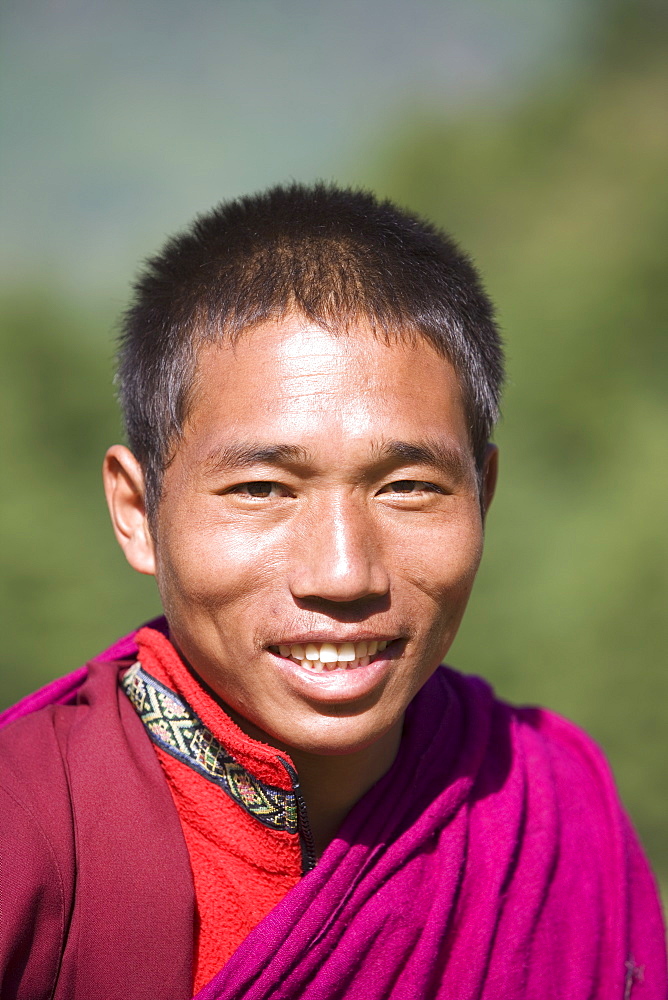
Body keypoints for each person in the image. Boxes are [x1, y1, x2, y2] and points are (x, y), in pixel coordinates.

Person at [0, 183, 665, 1000]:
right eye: (263, 489)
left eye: (409, 487)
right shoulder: (26, 828)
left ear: (483, 498)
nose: (344, 574)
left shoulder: (550, 804)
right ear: (138, 512)